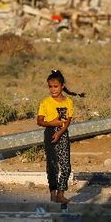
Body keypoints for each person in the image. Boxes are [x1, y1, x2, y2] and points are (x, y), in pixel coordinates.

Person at [36, 69, 84, 204]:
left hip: (62, 133)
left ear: (62, 86)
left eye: (55, 86)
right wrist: (52, 124)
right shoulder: (45, 102)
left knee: (66, 165)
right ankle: (53, 192)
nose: (53, 89)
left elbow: (67, 120)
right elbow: (39, 121)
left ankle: (61, 193)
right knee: (52, 165)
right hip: (50, 132)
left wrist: (60, 132)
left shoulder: (68, 102)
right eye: (50, 87)